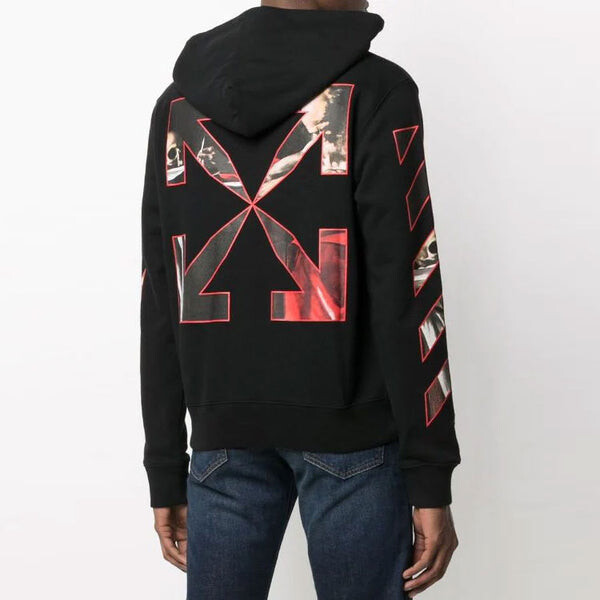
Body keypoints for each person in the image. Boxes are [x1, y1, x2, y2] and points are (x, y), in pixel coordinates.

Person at [140, 1, 461, 598]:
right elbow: (409, 286)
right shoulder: (378, 91)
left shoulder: (178, 107)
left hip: (221, 437)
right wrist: (429, 471)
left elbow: (162, 291)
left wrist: (164, 463)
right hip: (354, 440)